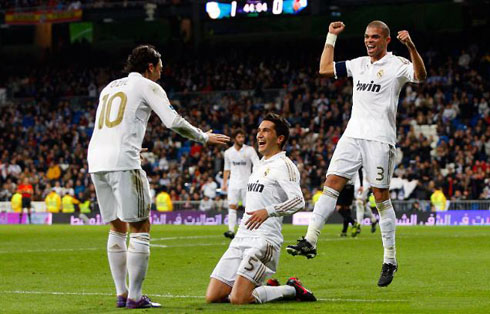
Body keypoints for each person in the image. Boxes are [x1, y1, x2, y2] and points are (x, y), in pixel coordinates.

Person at [87, 45, 229, 309]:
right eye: (160, 69)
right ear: (150, 66)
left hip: (96, 160)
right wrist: (203, 137)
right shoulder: (146, 86)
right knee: (140, 227)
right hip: (123, 161)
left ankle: (121, 293)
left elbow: (108, 126)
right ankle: (135, 297)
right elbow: (172, 121)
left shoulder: (109, 87)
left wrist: (128, 145)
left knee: (116, 227)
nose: (161, 75)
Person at [287, 20, 426, 287]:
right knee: (331, 184)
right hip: (352, 135)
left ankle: (390, 259)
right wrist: (330, 36)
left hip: (380, 139)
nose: (369, 41)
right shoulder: (359, 63)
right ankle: (311, 239)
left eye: (375, 37)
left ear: (386, 40)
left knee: (380, 198)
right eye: (366, 36)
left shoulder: (397, 64)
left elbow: (420, 76)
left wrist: (410, 46)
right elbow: (324, 69)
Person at [206, 113, 316, 305]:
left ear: (280, 138)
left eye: (266, 130)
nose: (259, 135)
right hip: (241, 237)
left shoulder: (284, 165)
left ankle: (292, 289)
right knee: (213, 297)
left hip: (265, 241)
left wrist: (268, 211)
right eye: (258, 131)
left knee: (238, 299)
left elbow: (298, 201)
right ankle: (264, 286)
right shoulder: (259, 166)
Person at [222, 129, 259, 239]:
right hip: (233, 184)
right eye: (239, 137)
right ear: (234, 139)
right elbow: (226, 169)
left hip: (247, 184)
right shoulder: (228, 152)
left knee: (248, 208)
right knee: (232, 207)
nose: (241, 139)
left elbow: (256, 164)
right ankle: (231, 230)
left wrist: (256, 178)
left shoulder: (250, 150)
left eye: (242, 137)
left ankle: (248, 230)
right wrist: (224, 183)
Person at [353, 167, 378, 235]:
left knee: (359, 203)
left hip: (364, 184)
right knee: (363, 205)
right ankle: (373, 220)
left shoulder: (368, 163)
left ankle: (358, 226)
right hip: (356, 183)